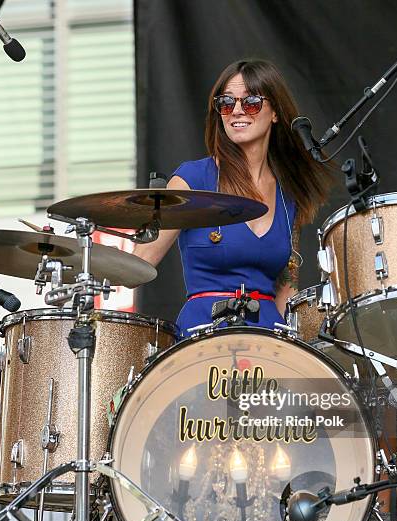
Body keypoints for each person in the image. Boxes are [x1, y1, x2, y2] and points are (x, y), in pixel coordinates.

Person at [134, 59, 333, 337]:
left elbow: (286, 290)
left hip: (269, 340)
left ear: (275, 111)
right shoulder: (193, 179)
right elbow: (139, 262)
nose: (237, 111)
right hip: (204, 334)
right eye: (227, 103)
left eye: (251, 101)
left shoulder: (289, 196)